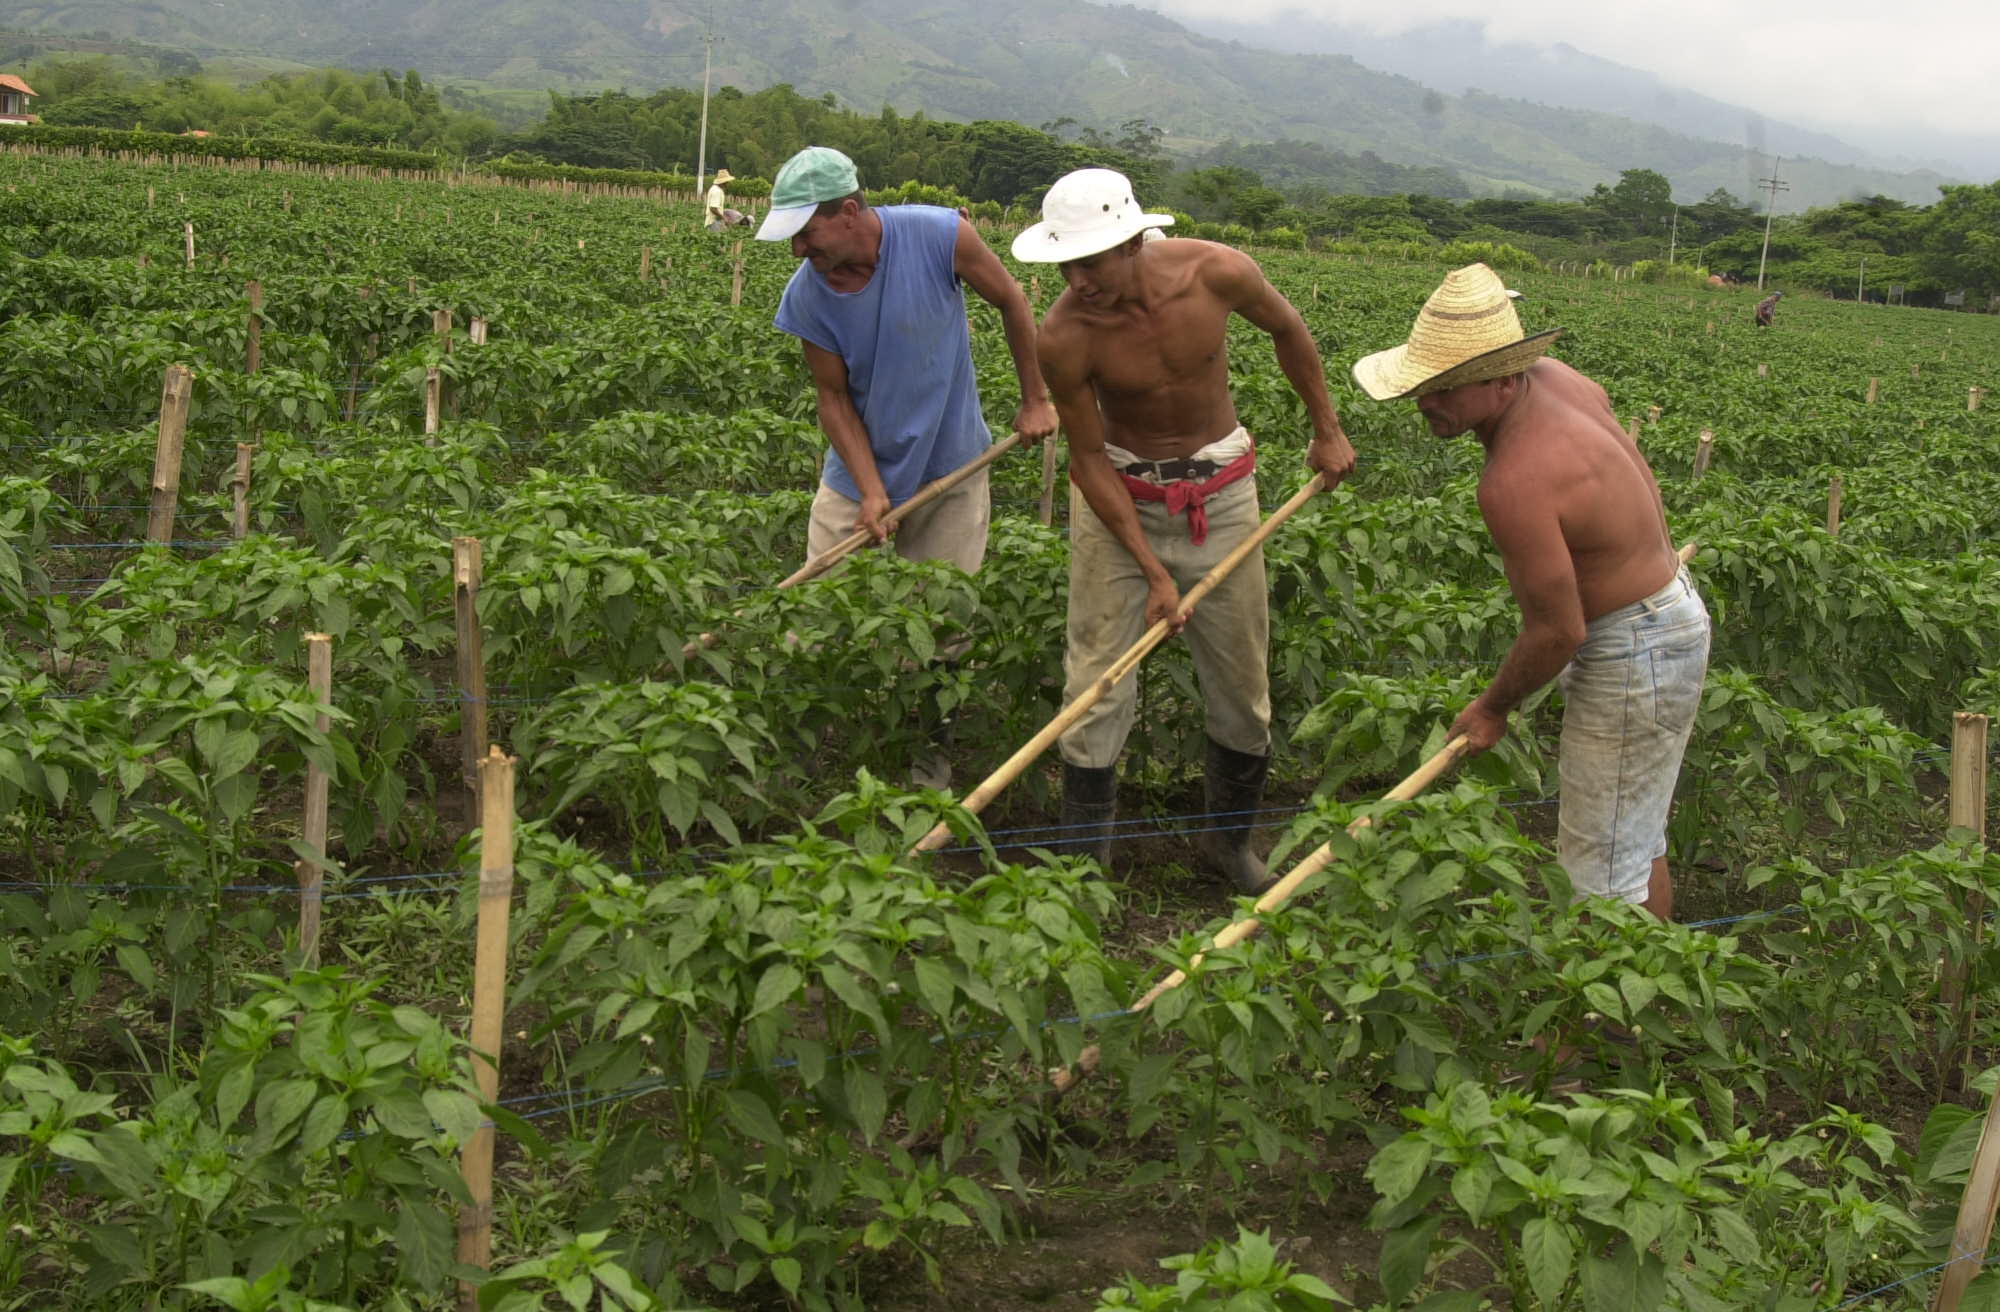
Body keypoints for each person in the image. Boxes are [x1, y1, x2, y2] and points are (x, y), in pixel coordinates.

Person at [1012, 168, 1355, 893]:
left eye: (1092, 259)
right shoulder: (1065, 337)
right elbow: (1086, 459)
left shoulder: (1217, 272)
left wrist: (1326, 430)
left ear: (1135, 240)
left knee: (1241, 681)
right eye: (1066, 262)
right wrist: (1152, 567)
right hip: (1120, 502)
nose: (1078, 278)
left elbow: (1289, 329)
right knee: (1095, 684)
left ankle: (1229, 850)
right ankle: (1084, 869)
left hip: (1222, 497)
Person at [1352, 262, 1710, 918]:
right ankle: (1649, 995)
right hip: (1666, 615)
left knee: (1599, 865)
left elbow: (1558, 631)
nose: (1424, 401)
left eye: (1443, 388)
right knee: (1633, 840)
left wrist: (1492, 708)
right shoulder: (1564, 382)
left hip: (1636, 648)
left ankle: (1601, 1018)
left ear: (1501, 378)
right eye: (1422, 385)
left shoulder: (1514, 481)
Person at [758, 146, 1058, 788]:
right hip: (857, 472)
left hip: (952, 463)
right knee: (815, 610)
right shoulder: (807, 294)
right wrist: (870, 491)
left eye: (806, 234)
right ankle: (804, 750)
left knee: (942, 617)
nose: (798, 252)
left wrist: (1035, 399)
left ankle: (930, 751)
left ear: (849, 210)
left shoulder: (939, 235)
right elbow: (833, 400)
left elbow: (1011, 301)